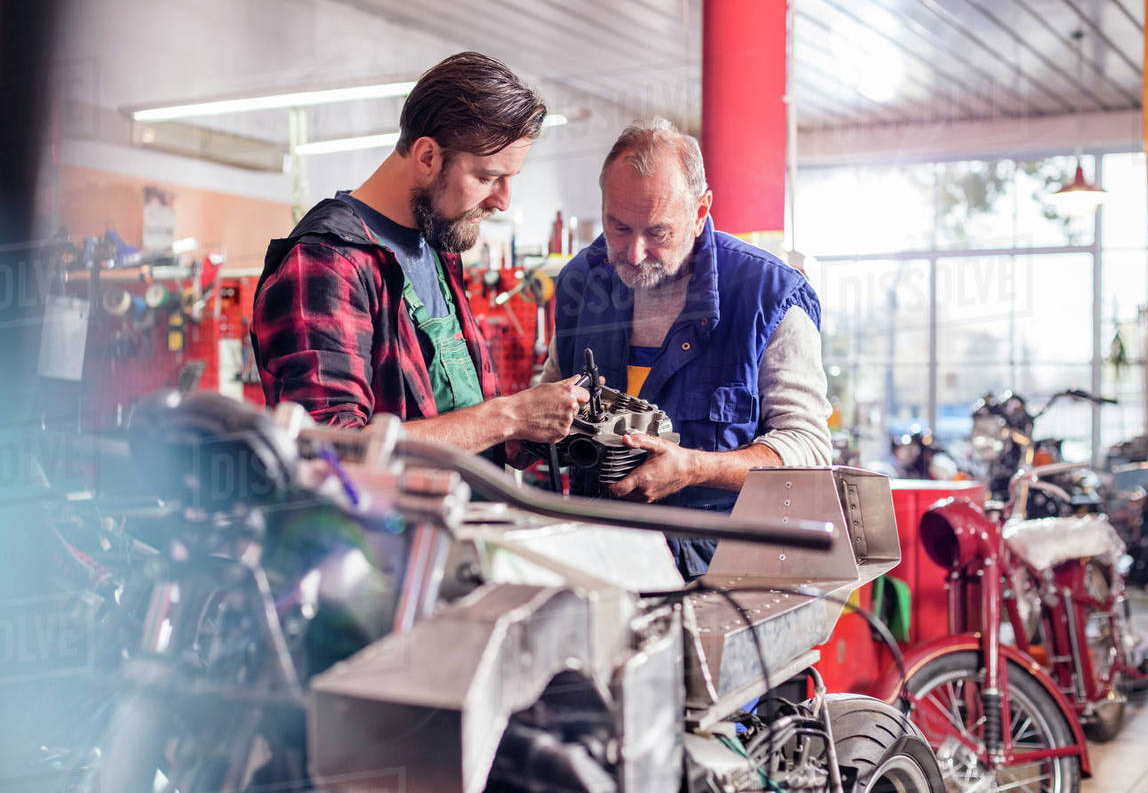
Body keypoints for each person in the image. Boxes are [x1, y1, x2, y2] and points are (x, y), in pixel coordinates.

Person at [541, 117, 833, 579]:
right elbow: (552, 393)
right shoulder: (582, 281)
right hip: (596, 563)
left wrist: (696, 468)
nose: (633, 254)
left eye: (657, 233)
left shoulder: (768, 296)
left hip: (719, 578)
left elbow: (809, 447)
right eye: (618, 228)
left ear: (700, 213)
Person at [252, 52, 587, 455]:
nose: (502, 202)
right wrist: (508, 416)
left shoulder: (437, 245)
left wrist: (533, 429)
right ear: (428, 157)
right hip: (381, 520)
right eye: (486, 177)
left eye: (509, 180)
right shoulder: (327, 263)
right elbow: (330, 449)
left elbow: (459, 420)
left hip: (466, 515)